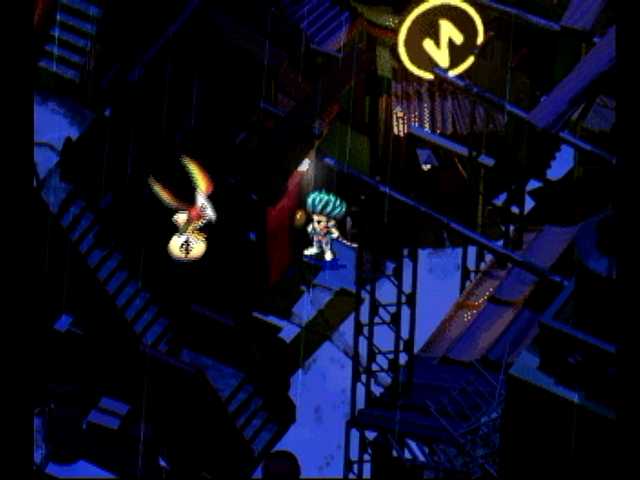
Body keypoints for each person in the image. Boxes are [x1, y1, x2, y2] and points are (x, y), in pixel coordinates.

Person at [303, 190, 347, 262]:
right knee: (316, 241)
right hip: (317, 235)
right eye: (314, 219)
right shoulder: (314, 224)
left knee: (326, 244)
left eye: (319, 221)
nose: (316, 222)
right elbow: (311, 228)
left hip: (325, 237)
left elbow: (335, 233)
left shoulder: (329, 225)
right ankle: (316, 248)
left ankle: (327, 252)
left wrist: (334, 233)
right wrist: (311, 230)